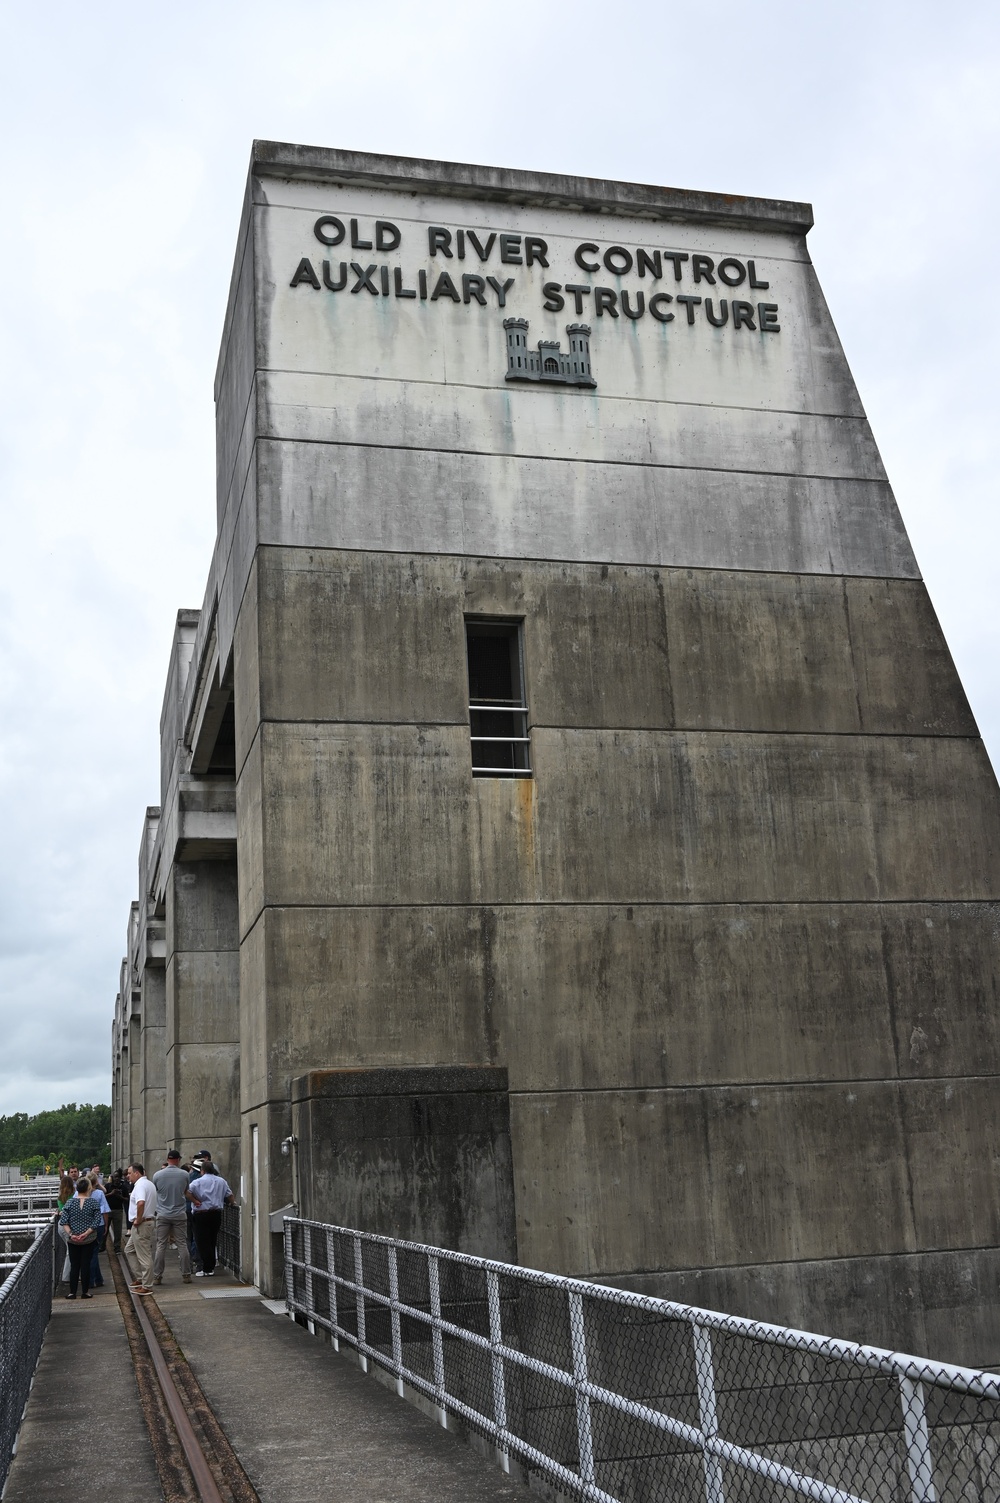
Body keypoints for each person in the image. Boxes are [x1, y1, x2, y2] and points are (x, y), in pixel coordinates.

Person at [185, 1162, 235, 1277]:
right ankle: (210, 1266)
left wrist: (195, 1201)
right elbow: (230, 1195)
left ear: (202, 1171)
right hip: (216, 1213)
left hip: (201, 1213)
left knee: (202, 1241)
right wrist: (233, 1203)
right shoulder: (221, 1181)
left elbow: (187, 1192)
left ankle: (207, 1267)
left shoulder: (197, 1182)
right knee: (212, 1240)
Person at [58, 1176, 103, 1299]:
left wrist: (72, 1234)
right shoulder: (93, 1202)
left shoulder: (70, 1202)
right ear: (89, 1188)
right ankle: (85, 1291)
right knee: (85, 1265)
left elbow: (64, 1221)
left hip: (73, 1240)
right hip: (88, 1239)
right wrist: (86, 1233)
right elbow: (97, 1221)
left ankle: (72, 1292)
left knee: (74, 1265)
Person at [152, 1150, 193, 1285]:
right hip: (179, 1213)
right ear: (178, 1160)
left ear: (167, 1159)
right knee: (182, 1243)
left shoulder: (157, 1175)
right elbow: (185, 1190)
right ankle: (186, 1274)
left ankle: (157, 1276)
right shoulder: (184, 1174)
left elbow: (157, 1190)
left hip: (163, 1214)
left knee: (161, 1245)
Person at [125, 1163, 158, 1294]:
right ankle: (140, 1277)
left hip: (141, 1224)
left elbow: (141, 1203)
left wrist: (138, 1219)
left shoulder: (140, 1186)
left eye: (129, 1173)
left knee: (144, 1255)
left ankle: (147, 1285)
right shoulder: (148, 1184)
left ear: (137, 1173)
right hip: (145, 1223)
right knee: (129, 1250)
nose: (128, 1176)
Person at [87, 1174, 111, 1288]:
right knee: (94, 1253)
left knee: (91, 1252)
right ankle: (92, 1280)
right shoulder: (99, 1194)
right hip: (99, 1224)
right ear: (96, 1182)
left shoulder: (80, 1193)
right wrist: (106, 1225)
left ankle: (98, 1279)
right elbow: (104, 1211)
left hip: (86, 1225)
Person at [104, 1170, 128, 1250]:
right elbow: (102, 1197)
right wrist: (111, 1194)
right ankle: (102, 1245)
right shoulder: (108, 1186)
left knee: (118, 1230)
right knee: (105, 1228)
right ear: (112, 1178)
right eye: (115, 1177)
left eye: (118, 1177)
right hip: (108, 1210)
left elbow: (127, 1199)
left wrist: (120, 1197)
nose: (117, 1179)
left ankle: (117, 1246)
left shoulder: (123, 1187)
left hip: (118, 1210)